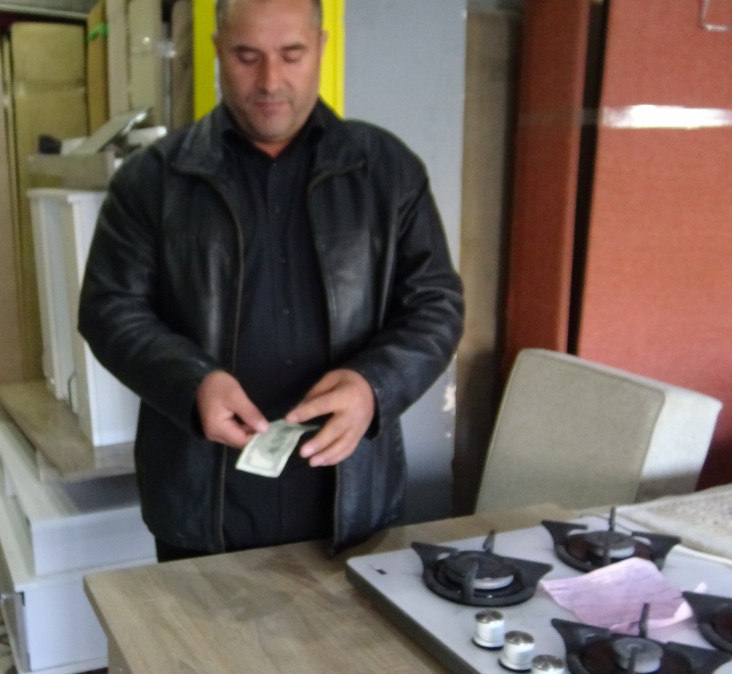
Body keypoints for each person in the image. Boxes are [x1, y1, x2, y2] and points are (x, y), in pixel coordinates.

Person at [78, 0, 464, 561]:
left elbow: (436, 304)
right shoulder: (152, 180)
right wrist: (192, 384)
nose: (270, 80)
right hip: (202, 499)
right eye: (246, 56)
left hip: (349, 494)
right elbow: (110, 309)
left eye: (291, 54)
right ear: (217, 51)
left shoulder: (387, 170)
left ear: (321, 48)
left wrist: (373, 387)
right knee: (201, 626)